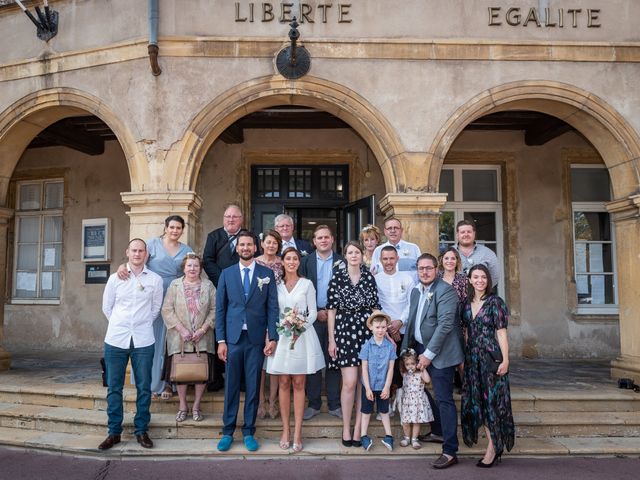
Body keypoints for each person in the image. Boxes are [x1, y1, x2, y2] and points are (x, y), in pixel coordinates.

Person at [215, 231, 279, 452]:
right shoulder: (227, 274)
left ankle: (249, 430)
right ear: (237, 248)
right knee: (231, 386)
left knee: (253, 386)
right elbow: (221, 308)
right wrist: (221, 340)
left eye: (249, 244)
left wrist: (273, 337)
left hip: (255, 339)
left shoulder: (266, 274)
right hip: (233, 339)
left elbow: (272, 307)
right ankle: (227, 431)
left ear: (255, 247)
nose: (245, 248)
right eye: (241, 244)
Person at [117, 215, 193, 400]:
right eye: (172, 227)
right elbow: (136, 260)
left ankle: (169, 383)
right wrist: (122, 266)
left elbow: (193, 269)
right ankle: (148, 383)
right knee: (150, 339)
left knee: (171, 341)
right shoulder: (151, 244)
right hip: (151, 294)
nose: (175, 231)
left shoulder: (187, 249)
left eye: (178, 228)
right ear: (165, 228)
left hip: (176, 296)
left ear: (182, 230)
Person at [401, 253, 464, 469]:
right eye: (421, 268)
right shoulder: (417, 292)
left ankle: (450, 450)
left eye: (429, 268)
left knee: (444, 398)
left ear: (436, 269)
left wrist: (428, 355)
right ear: (417, 270)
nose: (425, 272)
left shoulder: (446, 291)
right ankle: (437, 431)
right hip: (418, 349)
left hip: (441, 354)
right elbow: (412, 322)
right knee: (421, 390)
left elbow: (445, 325)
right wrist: (407, 350)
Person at [99, 239, 163, 450]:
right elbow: (107, 308)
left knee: (144, 387)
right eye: (134, 250)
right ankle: (114, 432)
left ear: (146, 254)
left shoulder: (155, 280)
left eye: (141, 251)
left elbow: (155, 310)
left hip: (144, 340)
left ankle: (141, 430)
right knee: (114, 387)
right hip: (116, 339)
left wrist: (139, 325)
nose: (137, 254)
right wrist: (122, 324)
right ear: (127, 252)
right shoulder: (115, 279)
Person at [266, 247, 325, 453]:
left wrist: (298, 327)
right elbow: (272, 311)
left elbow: (313, 312)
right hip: (282, 337)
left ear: (299, 262)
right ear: (282, 262)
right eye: (288, 258)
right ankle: (286, 430)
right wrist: (275, 332)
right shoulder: (276, 285)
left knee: (299, 382)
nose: (292, 262)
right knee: (283, 381)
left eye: (295, 259)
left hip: (302, 335)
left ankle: (298, 432)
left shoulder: (307, 284)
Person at [328, 240, 381, 447]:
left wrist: (381, 334)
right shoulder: (337, 278)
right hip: (344, 331)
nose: (354, 255)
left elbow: (375, 307)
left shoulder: (369, 277)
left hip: (366, 331)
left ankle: (359, 428)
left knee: (363, 382)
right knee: (349, 383)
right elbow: (331, 310)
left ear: (361, 255)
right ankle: (346, 428)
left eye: (357, 252)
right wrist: (332, 339)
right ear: (345, 256)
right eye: (350, 252)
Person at [461, 264, 515, 468]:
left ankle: (493, 448)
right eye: (476, 277)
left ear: (488, 280)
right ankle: (494, 444)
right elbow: (466, 333)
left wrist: (506, 360)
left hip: (491, 357)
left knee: (491, 402)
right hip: (472, 359)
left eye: (483, 277)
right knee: (478, 403)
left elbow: (502, 333)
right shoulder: (465, 304)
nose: (480, 280)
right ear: (469, 279)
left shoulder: (495, 303)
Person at [161, 253, 215, 423]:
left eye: (196, 266)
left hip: (203, 336)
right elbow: (167, 310)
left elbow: (215, 309)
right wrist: (182, 330)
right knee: (180, 372)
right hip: (179, 337)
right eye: (189, 265)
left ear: (200, 268)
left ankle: (197, 406)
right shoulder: (175, 285)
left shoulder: (209, 285)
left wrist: (202, 329)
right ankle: (183, 405)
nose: (192, 269)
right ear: (184, 268)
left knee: (201, 373)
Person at [203, 204, 250, 391]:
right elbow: (207, 260)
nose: (231, 220)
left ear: (241, 219)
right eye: (227, 216)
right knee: (220, 331)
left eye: (235, 217)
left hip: (243, 291)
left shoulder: (247, 237)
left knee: (241, 333)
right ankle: (217, 378)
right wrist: (224, 279)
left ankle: (242, 380)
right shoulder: (214, 236)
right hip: (219, 289)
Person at [299, 225, 344, 421]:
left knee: (334, 360)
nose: (323, 240)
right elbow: (301, 289)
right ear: (314, 241)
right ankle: (314, 403)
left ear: (332, 239)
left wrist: (333, 311)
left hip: (339, 318)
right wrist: (316, 312)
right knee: (314, 360)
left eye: (327, 237)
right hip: (313, 317)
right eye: (319, 238)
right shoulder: (305, 261)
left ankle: (335, 404)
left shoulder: (342, 261)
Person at [375, 245, 415, 390]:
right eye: (385, 258)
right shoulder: (375, 280)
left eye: (392, 258)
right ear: (380, 260)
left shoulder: (408, 279)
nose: (388, 262)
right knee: (384, 368)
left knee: (404, 367)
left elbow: (411, 303)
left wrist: (400, 322)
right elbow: (376, 305)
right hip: (383, 332)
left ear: (397, 258)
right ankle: (387, 404)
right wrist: (390, 326)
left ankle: (406, 402)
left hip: (404, 331)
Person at [255, 230, 284, 420]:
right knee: (259, 363)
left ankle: (273, 400)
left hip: (279, 312)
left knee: (274, 360)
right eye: (268, 242)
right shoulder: (255, 262)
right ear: (262, 243)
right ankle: (260, 400)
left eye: (275, 243)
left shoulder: (283, 263)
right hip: (258, 313)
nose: (271, 245)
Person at [358, 312, 397, 452]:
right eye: (377, 327)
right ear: (371, 328)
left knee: (384, 411)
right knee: (366, 411)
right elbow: (364, 368)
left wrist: (387, 387)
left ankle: (389, 436)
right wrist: (367, 388)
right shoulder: (366, 346)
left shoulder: (390, 347)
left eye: (383, 327)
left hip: (383, 385)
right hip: (368, 385)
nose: (380, 330)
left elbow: (391, 368)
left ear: (387, 328)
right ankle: (363, 436)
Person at [398, 348, 434, 450]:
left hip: (418, 401)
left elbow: (427, 380)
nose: (410, 366)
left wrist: (422, 368)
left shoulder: (420, 373)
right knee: (406, 422)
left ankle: (414, 439)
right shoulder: (404, 374)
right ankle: (406, 438)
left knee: (416, 422)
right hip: (407, 402)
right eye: (407, 364)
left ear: (416, 363)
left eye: (413, 363)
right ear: (404, 365)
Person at [454, 220, 501, 288]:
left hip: (480, 297)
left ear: (474, 234)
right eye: (462, 232)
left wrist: (482, 290)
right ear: (457, 235)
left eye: (469, 232)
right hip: (454, 296)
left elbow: (495, 276)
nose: (466, 234)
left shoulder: (487, 253)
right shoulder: (449, 253)